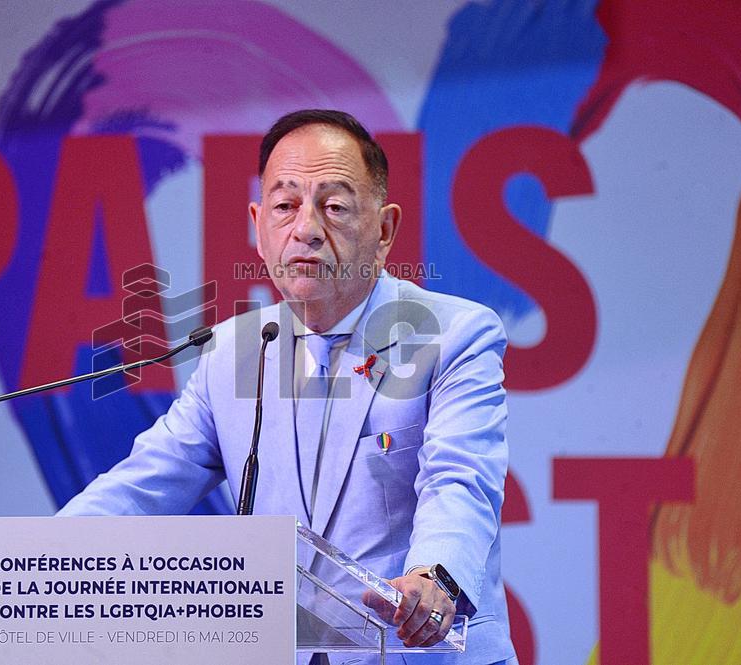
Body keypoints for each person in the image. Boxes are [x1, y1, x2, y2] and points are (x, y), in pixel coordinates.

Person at [59, 109, 516, 665]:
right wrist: (30, 560)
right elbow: (141, 486)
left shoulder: (453, 335)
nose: (306, 229)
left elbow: (460, 479)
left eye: (335, 206)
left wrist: (433, 577)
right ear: (259, 227)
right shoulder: (234, 352)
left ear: (384, 230)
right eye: (285, 206)